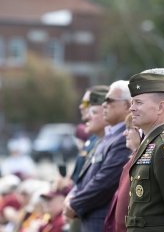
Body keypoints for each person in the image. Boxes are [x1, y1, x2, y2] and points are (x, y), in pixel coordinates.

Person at [104, 68, 164, 232]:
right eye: (132, 102)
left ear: (161, 107)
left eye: (138, 103)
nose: (132, 108)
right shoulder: (151, 142)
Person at [64, 81, 131, 231]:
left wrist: (75, 204)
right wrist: (72, 195)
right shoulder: (107, 137)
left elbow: (105, 181)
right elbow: (85, 177)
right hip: (89, 218)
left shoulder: (122, 138)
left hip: (101, 220)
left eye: (109, 100)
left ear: (127, 105)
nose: (104, 104)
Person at [104, 114, 141, 232]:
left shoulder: (140, 163)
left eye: (129, 128)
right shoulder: (132, 161)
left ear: (141, 132)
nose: (125, 133)